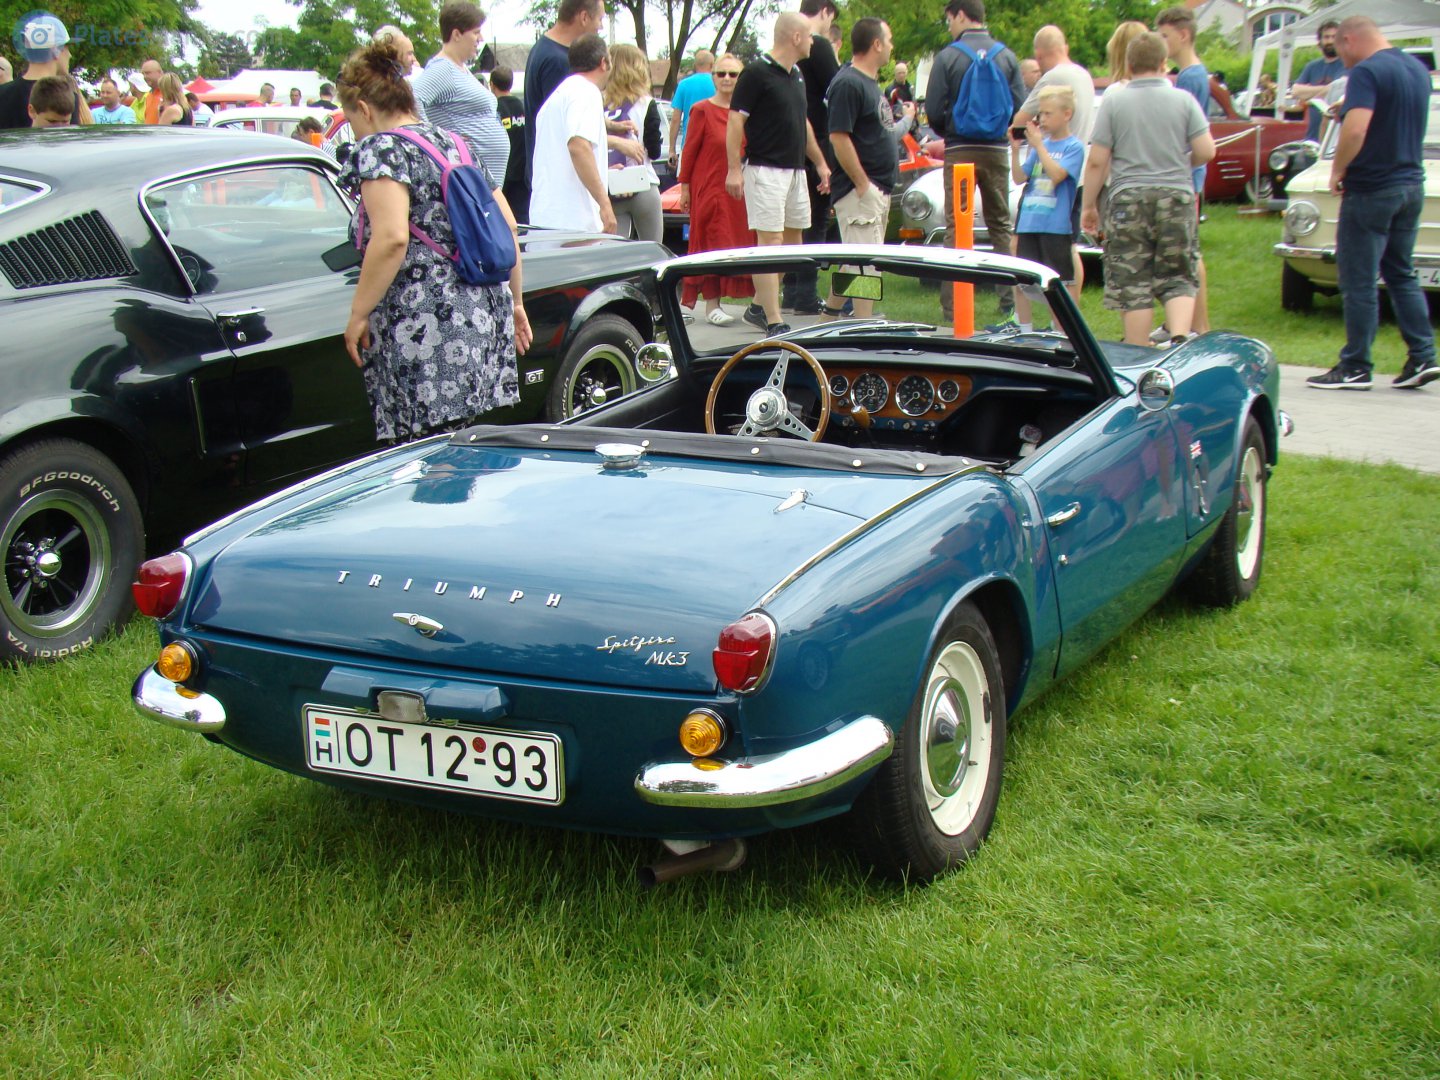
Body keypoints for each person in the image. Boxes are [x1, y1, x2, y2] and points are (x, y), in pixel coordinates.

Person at [337, 39, 531, 444]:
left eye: (351, 116)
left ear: (366, 108)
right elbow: (507, 227)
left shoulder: (382, 149)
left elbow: (391, 239)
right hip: (481, 315)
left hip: (426, 328)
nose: (353, 128)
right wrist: (516, 303)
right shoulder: (456, 143)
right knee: (469, 454)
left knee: (430, 463)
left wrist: (358, 314)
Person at [1307, 17, 1436, 391]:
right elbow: (1389, 113)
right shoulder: (1416, 69)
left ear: (1349, 39)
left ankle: (1356, 365)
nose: (1340, 57)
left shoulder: (1366, 72)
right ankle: (1423, 356)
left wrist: (1337, 171)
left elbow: (1358, 128)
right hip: (1411, 184)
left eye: (1340, 48)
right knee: (1401, 272)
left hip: (1371, 187)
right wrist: (1348, 108)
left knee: (1358, 279)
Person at [1080, 31, 1214, 346]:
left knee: (1133, 279)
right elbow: (1206, 151)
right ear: (1164, 62)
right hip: (1176, 196)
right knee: (1178, 273)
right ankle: (1180, 335)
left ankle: (1138, 348)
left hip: (1129, 199)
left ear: (1128, 63)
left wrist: (1089, 206)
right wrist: (1182, 162)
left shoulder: (1115, 101)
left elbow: (1098, 160)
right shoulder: (1183, 100)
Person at [726, 12, 832, 337]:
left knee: (792, 245)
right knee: (770, 242)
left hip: (795, 170)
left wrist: (820, 162)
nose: (814, 42)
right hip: (764, 168)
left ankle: (759, 305)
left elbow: (803, 123)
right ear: (796, 37)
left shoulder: (796, 75)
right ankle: (772, 319)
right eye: (810, 36)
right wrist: (733, 169)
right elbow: (735, 121)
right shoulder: (756, 73)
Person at [925, 0, 1026, 320]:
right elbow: (1020, 105)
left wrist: (950, 133)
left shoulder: (949, 56)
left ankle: (952, 304)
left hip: (959, 149)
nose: (949, 26)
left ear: (959, 15)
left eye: (949, 20)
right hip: (996, 150)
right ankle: (1008, 298)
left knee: (957, 225)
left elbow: (933, 109)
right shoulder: (1006, 56)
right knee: (1000, 224)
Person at [818, 18, 914, 320]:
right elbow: (838, 137)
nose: (891, 46)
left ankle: (826, 320)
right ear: (876, 44)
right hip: (860, 191)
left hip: (877, 189)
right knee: (866, 266)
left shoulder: (868, 83)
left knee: (855, 263)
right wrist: (863, 185)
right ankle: (863, 330)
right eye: (889, 40)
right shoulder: (848, 83)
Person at [1011, 25, 1095, 296]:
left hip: (1051, 175)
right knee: (1070, 246)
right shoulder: (1083, 75)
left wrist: (1028, 133)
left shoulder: (1053, 78)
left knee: (1025, 249)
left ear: (1040, 54)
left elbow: (1019, 122)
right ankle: (1072, 308)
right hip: (1076, 174)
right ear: (1065, 48)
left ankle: (1032, 312)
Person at [677, 53, 755, 324]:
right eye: (721, 73)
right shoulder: (702, 109)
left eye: (733, 74)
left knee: (736, 241)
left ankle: (755, 304)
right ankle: (711, 305)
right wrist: (684, 187)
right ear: (713, 76)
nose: (726, 79)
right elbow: (689, 151)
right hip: (709, 186)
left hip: (739, 190)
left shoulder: (746, 113)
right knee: (711, 240)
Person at [1009, 85, 1084, 329]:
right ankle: (1024, 328)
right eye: (1040, 114)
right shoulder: (1040, 146)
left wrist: (1040, 146)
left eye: (1048, 114)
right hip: (1030, 221)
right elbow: (1021, 177)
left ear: (1067, 114)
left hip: (1055, 226)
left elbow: (1057, 175)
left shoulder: (1074, 147)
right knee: (1022, 280)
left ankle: (1060, 330)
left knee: (1059, 282)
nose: (1042, 119)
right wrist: (1017, 149)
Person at [412, 1, 511, 185]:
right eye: (475, 32)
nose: (480, 38)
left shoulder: (460, 69)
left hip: (480, 184)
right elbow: (413, 98)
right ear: (456, 34)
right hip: (468, 182)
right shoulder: (443, 69)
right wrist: (438, 141)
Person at [530, 33, 621, 234]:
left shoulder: (556, 98)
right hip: (574, 222)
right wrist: (604, 204)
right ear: (603, 63)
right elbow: (578, 147)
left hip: (545, 218)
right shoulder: (586, 92)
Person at [1156, 6, 1210, 335]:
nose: (1161, 43)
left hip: (1185, 177)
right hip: (1188, 176)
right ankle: (1185, 321)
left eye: (1164, 36)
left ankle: (1196, 325)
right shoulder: (1194, 74)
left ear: (1183, 35)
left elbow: (1189, 134)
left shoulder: (1190, 78)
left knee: (1190, 255)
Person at [789, 0, 840, 315]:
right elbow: (837, 91)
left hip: (794, 142)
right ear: (827, 12)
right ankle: (806, 294)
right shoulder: (819, 46)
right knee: (815, 221)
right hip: (818, 139)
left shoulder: (789, 47)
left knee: (794, 224)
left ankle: (791, 291)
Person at [525, 0, 607, 192]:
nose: (601, 27)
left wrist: (610, 126)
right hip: (559, 186)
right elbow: (570, 132)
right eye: (600, 19)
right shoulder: (559, 63)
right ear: (584, 17)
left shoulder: (543, 49)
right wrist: (620, 143)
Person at [603, 44, 663, 242]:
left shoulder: (597, 102)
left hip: (610, 184)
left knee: (614, 257)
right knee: (654, 253)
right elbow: (653, 151)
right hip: (643, 183)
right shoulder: (646, 103)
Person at [0, 13, 79, 129]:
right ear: (55, 50)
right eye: (66, 47)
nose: (70, 55)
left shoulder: (2, 94)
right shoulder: (68, 97)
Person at [1289, 20, 1345, 141]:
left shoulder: (1347, 63)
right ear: (1320, 41)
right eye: (1326, 37)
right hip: (1312, 136)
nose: (1330, 41)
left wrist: (1309, 97)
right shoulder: (1312, 66)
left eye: (1334, 37)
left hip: (1334, 137)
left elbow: (1338, 88)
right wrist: (1324, 92)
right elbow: (1296, 91)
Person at [490, 66, 530, 222]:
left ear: (492, 84)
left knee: (503, 220)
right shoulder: (523, 107)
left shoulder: (494, 109)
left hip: (503, 175)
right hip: (523, 174)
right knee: (523, 221)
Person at [667, 49, 715, 170]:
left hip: (690, 145)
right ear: (712, 65)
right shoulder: (718, 84)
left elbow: (676, 119)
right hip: (715, 146)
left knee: (686, 187)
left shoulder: (684, 84)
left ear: (695, 65)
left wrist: (672, 150)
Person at [132, 58, 163, 123]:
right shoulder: (148, 96)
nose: (145, 77)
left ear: (160, 72)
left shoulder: (169, 93)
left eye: (148, 73)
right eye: (143, 74)